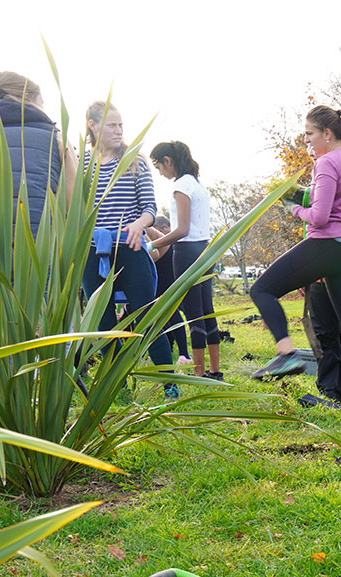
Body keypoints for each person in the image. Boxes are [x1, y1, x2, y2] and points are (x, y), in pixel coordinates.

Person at [248, 105, 341, 380]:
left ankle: (286, 355)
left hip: (329, 245)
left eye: (309, 134)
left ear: (327, 133)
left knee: (262, 290)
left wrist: (290, 206)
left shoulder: (326, 163)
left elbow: (318, 216)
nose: (305, 140)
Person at [82, 101, 175, 397]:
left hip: (130, 246)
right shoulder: (81, 164)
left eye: (121, 124)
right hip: (93, 253)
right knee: (104, 324)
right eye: (111, 125)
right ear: (92, 126)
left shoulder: (135, 160)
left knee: (148, 318)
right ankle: (116, 388)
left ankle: (171, 386)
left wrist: (139, 224)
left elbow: (149, 207)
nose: (118, 130)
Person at [149, 141, 221, 380]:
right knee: (207, 310)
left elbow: (181, 229)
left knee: (194, 312)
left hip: (187, 252)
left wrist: (152, 244)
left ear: (168, 161)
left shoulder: (181, 186)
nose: (160, 173)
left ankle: (199, 371)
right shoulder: (197, 184)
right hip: (205, 250)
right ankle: (214, 370)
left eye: (159, 167)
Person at [0, 71, 74, 233]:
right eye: (41, 102)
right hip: (40, 250)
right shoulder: (56, 138)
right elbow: (75, 206)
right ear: (28, 98)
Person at [145, 215, 191, 365]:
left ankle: (184, 355)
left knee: (168, 306)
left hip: (164, 258)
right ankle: (169, 347)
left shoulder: (135, 225)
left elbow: (153, 253)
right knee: (159, 309)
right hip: (158, 262)